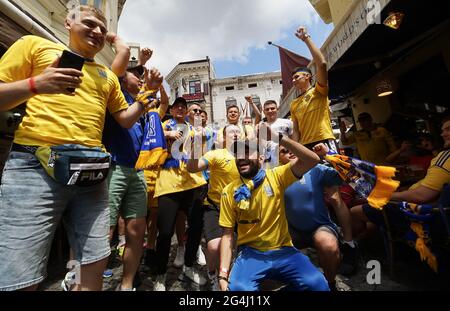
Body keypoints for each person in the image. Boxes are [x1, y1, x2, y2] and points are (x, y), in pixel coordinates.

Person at [0, 5, 155, 291]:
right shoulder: (34, 45)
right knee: (19, 274)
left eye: (102, 28)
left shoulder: (107, 77)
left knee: (94, 263)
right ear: (68, 22)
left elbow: (124, 119)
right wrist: (36, 84)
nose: (97, 31)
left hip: (92, 173)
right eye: (89, 24)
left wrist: (146, 99)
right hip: (34, 169)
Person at [218, 124, 329, 291]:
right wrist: (222, 274)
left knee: (317, 284)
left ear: (261, 158)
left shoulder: (276, 176)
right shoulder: (229, 191)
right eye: (238, 154)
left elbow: (312, 159)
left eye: (248, 152)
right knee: (239, 290)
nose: (241, 157)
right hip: (250, 254)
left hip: (284, 251)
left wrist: (279, 138)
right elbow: (227, 235)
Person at [103, 50, 165, 290]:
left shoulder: (141, 101)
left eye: (142, 74)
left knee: (137, 232)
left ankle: (127, 284)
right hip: (114, 167)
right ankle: (83, 280)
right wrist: (140, 63)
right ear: (121, 77)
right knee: (103, 230)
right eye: (135, 73)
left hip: (136, 171)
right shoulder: (114, 94)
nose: (140, 77)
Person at [351, 116, 450, 242]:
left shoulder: (445, 158)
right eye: (442, 130)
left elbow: (422, 196)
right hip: (428, 206)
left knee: (354, 210)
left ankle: (359, 245)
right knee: (373, 213)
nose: (443, 134)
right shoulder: (440, 156)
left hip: (421, 214)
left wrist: (384, 195)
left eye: (448, 130)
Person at [279, 143, 357, 290]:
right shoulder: (275, 174)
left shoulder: (316, 170)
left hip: (319, 227)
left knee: (328, 246)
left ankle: (330, 283)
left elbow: (347, 172)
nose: (291, 153)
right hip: (290, 232)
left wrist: (329, 155)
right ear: (278, 157)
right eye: (284, 151)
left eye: (294, 149)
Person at [152, 97, 207, 291]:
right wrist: (168, 133)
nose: (181, 109)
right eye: (178, 107)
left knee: (195, 228)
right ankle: (160, 274)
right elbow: (151, 135)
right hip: (169, 184)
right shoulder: (164, 124)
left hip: (192, 183)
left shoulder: (194, 129)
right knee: (165, 232)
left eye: (184, 107)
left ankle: (189, 265)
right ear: (172, 110)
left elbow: (199, 153)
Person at [187, 124, 241, 290]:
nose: (236, 134)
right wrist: (196, 145)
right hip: (215, 207)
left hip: (241, 208)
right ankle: (212, 273)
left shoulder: (249, 155)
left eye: (239, 131)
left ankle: (233, 274)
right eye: (232, 132)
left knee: (240, 247)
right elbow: (192, 167)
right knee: (214, 246)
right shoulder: (216, 154)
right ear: (224, 138)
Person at [290, 26, 336, 152]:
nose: (293, 80)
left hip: (325, 141)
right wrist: (295, 150)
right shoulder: (293, 103)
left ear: (308, 76)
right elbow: (295, 130)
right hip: (305, 147)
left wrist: (306, 38)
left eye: (296, 77)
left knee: (331, 172)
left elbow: (322, 64)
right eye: (292, 78)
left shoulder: (319, 91)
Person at [259, 99, 293, 168]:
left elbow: (293, 140)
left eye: (272, 108)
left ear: (277, 109)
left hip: (285, 157)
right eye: (267, 109)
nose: (270, 111)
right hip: (270, 160)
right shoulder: (261, 126)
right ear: (264, 112)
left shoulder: (288, 122)